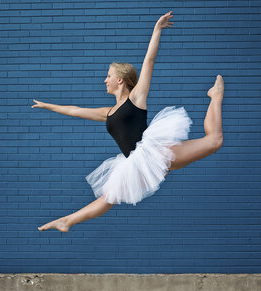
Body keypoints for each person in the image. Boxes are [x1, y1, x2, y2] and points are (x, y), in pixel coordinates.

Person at [31, 11, 224, 232]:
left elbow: (149, 60)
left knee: (214, 141)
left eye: (108, 76)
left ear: (120, 79)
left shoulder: (136, 98)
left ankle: (215, 96)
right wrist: (48, 106)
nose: (105, 80)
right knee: (108, 197)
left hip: (154, 153)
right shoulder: (108, 111)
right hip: (135, 162)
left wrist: (157, 30)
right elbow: (76, 110)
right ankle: (67, 221)